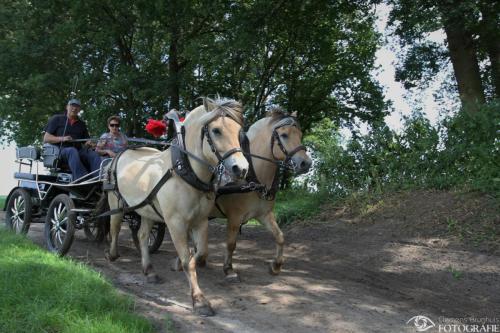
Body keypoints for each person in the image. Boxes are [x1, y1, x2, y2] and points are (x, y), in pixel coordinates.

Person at [43, 98, 102, 180]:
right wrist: (62, 138)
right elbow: (46, 138)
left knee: (93, 154)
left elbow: (86, 142)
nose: (74, 108)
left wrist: (90, 144)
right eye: (72, 106)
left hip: (78, 152)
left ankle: (98, 179)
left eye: (77, 107)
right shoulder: (56, 119)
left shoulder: (82, 124)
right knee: (72, 150)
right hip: (59, 151)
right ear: (67, 107)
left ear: (79, 109)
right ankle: (82, 180)